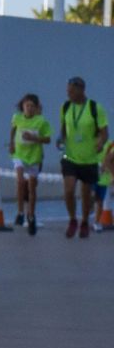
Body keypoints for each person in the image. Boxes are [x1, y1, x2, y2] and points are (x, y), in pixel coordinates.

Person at [55, 76, 108, 239]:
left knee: (85, 194)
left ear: (81, 90)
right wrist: (61, 139)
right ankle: (72, 220)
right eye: (67, 91)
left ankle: (84, 221)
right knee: (69, 190)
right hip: (70, 156)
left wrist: (100, 143)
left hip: (89, 159)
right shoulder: (65, 107)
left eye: (71, 91)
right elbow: (64, 128)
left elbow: (104, 132)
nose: (68, 94)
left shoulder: (94, 108)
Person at [9, 94, 52, 236]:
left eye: (32, 106)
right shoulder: (17, 117)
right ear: (22, 106)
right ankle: (20, 212)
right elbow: (13, 130)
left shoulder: (41, 121)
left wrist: (34, 138)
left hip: (34, 157)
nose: (29, 108)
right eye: (27, 106)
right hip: (19, 155)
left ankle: (31, 215)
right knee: (20, 181)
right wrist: (11, 143)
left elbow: (48, 139)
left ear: (36, 108)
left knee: (32, 187)